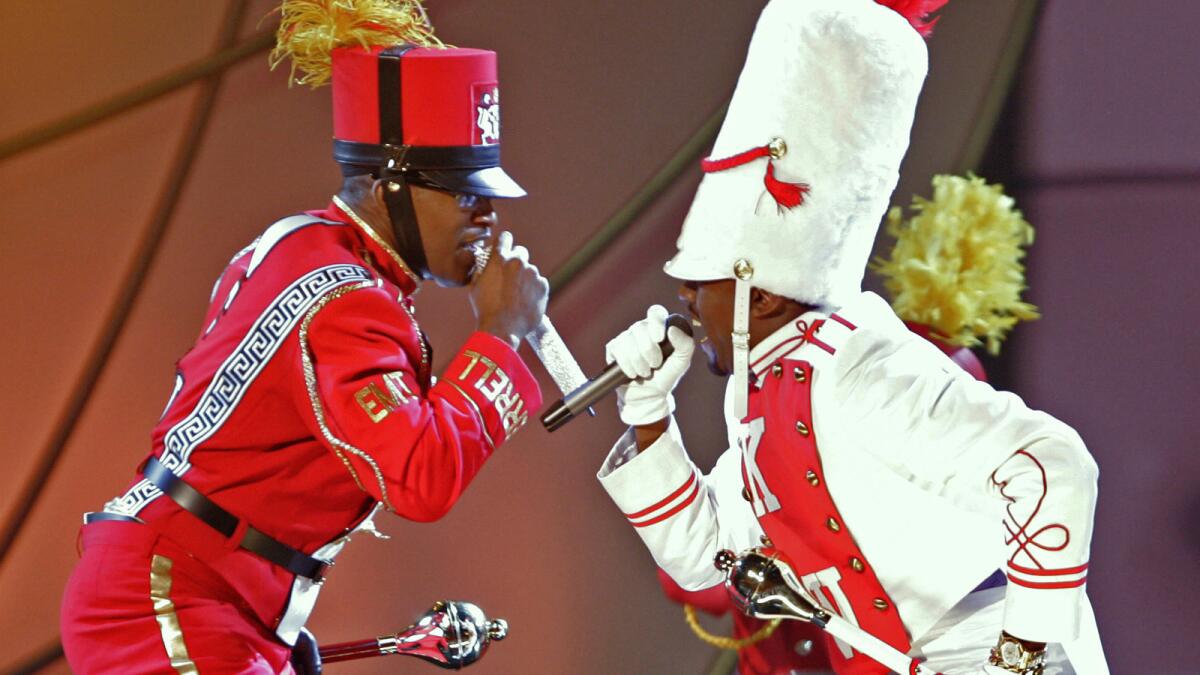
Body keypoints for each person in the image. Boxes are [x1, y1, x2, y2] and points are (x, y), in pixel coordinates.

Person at [595, 1, 1108, 674]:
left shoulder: (860, 362)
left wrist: (1024, 650)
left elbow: (1054, 463)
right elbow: (704, 556)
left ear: (768, 290)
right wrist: (648, 413)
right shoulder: (758, 388)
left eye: (702, 281)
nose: (685, 299)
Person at [60, 2, 547, 672]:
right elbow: (420, 476)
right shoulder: (349, 299)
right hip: (175, 593)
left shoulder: (303, 244)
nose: (488, 216)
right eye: (464, 194)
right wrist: (501, 334)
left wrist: (272, 626)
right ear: (388, 188)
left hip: (199, 588)